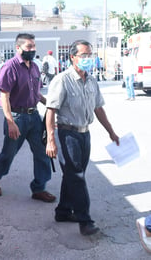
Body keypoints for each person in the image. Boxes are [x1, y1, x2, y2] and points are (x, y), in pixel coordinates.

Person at [45, 39, 119, 236]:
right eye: (84, 56)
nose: (88, 59)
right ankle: (85, 220)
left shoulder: (92, 81)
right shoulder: (62, 80)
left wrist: (111, 131)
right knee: (76, 177)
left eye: (90, 56)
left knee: (73, 175)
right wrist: (51, 140)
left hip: (84, 134)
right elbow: (50, 110)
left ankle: (62, 211)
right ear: (72, 57)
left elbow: (98, 107)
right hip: (67, 134)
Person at [0, 33, 55, 203]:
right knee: (8, 154)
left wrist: (51, 105)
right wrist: (10, 122)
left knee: (42, 153)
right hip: (17, 117)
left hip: (34, 117)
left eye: (34, 46)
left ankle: (39, 188)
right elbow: (4, 96)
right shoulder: (10, 67)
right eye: (29, 47)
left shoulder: (35, 67)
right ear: (18, 48)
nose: (32, 49)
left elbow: (35, 93)